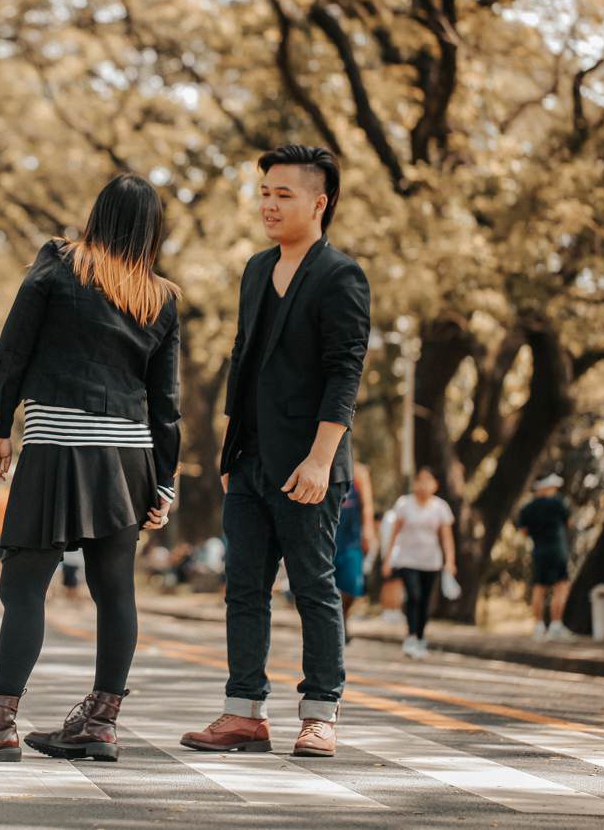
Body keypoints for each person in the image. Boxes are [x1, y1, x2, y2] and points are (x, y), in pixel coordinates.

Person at [0, 174, 181, 763]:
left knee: (23, 584)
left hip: (58, 445)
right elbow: (166, 402)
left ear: (98, 214)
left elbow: (15, 345)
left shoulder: (60, 262)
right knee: (115, 589)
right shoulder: (160, 296)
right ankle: (99, 723)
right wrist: (163, 481)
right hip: (128, 459)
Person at [182, 145, 369, 760]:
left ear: (321, 202)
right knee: (243, 589)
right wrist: (230, 448)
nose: (268, 203)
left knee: (314, 588)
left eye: (283, 194)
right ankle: (243, 714)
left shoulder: (341, 275)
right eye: (264, 192)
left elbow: (345, 373)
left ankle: (320, 715)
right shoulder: (257, 269)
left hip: (308, 465)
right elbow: (242, 359)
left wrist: (320, 460)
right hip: (251, 459)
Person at [382, 467, 456, 659]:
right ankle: (411, 636)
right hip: (407, 559)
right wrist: (388, 559)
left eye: (427, 481)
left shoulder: (441, 507)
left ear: (435, 485)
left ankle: (421, 636)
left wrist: (450, 561)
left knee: (424, 600)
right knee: (413, 596)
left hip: (431, 561)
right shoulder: (404, 504)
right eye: (419, 480)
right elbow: (394, 533)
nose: (422, 485)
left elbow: (446, 537)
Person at [516, 473, 573, 640]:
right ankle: (556, 625)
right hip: (557, 550)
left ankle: (539, 626)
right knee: (561, 586)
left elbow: (524, 531)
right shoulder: (557, 502)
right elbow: (569, 523)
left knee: (539, 588)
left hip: (539, 550)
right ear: (546, 487)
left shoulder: (527, 508)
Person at [334, 461, 376, 641]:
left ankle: (343, 617)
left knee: (352, 585)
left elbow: (367, 505)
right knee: (326, 585)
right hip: (328, 537)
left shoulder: (358, 471)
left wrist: (368, 531)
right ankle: (333, 625)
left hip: (351, 540)